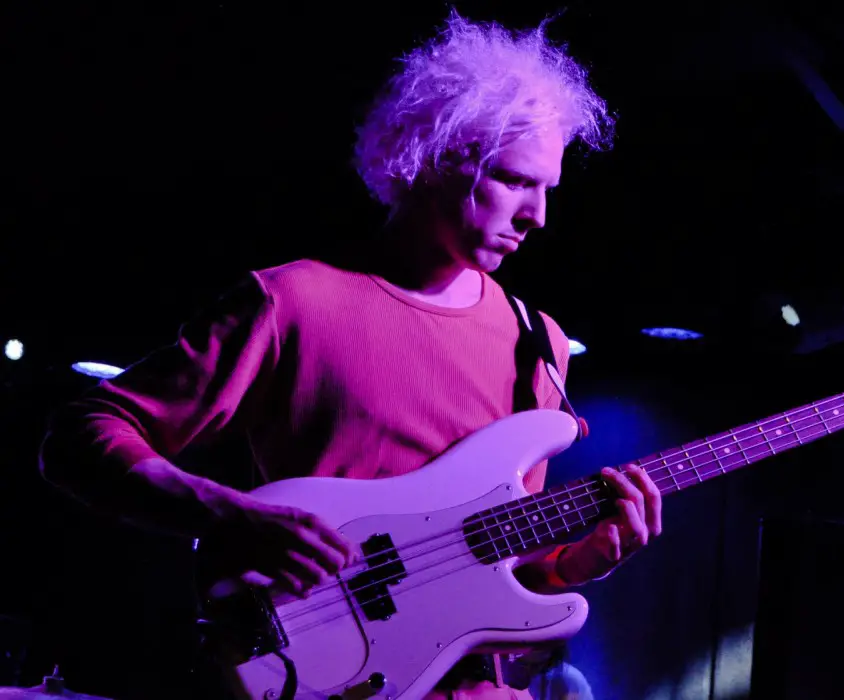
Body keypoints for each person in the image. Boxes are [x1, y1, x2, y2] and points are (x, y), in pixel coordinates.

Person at [38, 11, 663, 700]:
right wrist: (226, 512)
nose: (538, 215)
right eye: (517, 180)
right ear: (436, 154)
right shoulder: (293, 302)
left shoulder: (536, 343)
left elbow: (498, 576)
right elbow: (81, 436)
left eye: (549, 189)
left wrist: (577, 564)